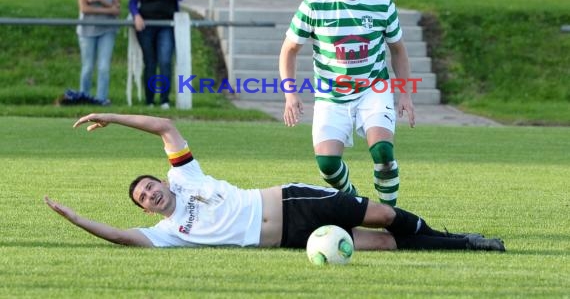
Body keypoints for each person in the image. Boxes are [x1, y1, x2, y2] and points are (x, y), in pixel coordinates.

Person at [45, 113, 505, 252]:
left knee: (384, 214)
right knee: (381, 245)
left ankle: (460, 237)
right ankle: (466, 247)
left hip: (292, 201)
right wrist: (73, 217)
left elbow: (165, 126)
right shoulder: (166, 235)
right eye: (144, 197)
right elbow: (120, 237)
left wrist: (110, 117)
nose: (151, 192)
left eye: (149, 184)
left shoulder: (183, 177)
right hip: (290, 239)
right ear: (146, 209)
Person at [279, 0, 416, 206]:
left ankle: (390, 217)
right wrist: (290, 94)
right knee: (328, 165)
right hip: (331, 96)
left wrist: (405, 95)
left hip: (373, 90)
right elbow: (289, 50)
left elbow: (398, 50)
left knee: (384, 153)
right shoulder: (314, 6)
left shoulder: (382, 4)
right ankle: (354, 201)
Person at [128, 0, 185, 109]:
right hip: (146, 26)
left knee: (165, 61)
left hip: (166, 25)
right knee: (150, 62)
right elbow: (132, 2)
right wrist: (136, 15)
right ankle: (150, 100)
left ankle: (165, 100)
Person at [76, 0, 121, 105]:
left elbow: (116, 10)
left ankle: (101, 100)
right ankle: (84, 97)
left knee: (103, 67)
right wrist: (107, 8)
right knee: (88, 66)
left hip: (107, 30)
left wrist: (99, 0)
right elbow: (84, 8)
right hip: (87, 30)